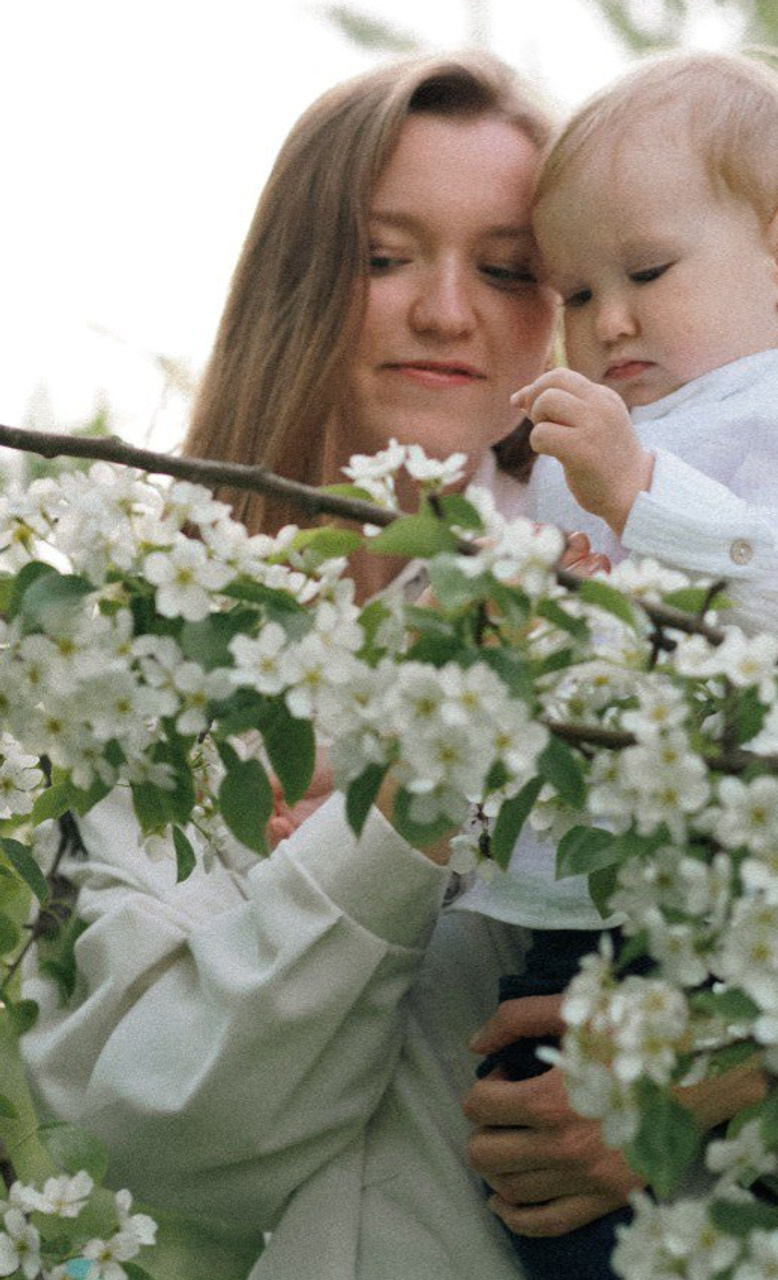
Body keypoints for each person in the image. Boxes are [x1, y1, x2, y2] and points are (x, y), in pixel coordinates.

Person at [17, 52, 699, 1280]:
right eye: (385, 257)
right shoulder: (127, 655)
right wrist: (407, 802)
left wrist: (707, 1084)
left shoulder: (640, 587)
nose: (448, 311)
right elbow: (173, 1125)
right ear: (294, 275)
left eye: (505, 270)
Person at [450, 50, 778, 1280]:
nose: (609, 319)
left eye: (645, 271)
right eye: (577, 294)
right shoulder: (595, 447)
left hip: (749, 938)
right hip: (567, 939)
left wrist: (640, 492)